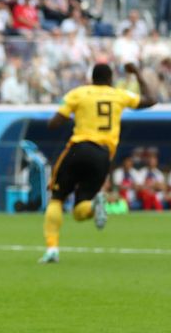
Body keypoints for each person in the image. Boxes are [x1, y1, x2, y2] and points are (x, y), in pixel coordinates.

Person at [39, 63, 156, 264]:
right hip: (103, 156)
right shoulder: (119, 95)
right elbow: (150, 100)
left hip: (79, 148)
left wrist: (69, 116)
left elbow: (54, 123)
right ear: (110, 79)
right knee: (80, 209)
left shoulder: (79, 93)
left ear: (92, 78)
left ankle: (52, 249)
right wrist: (137, 73)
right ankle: (94, 204)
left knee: (57, 198)